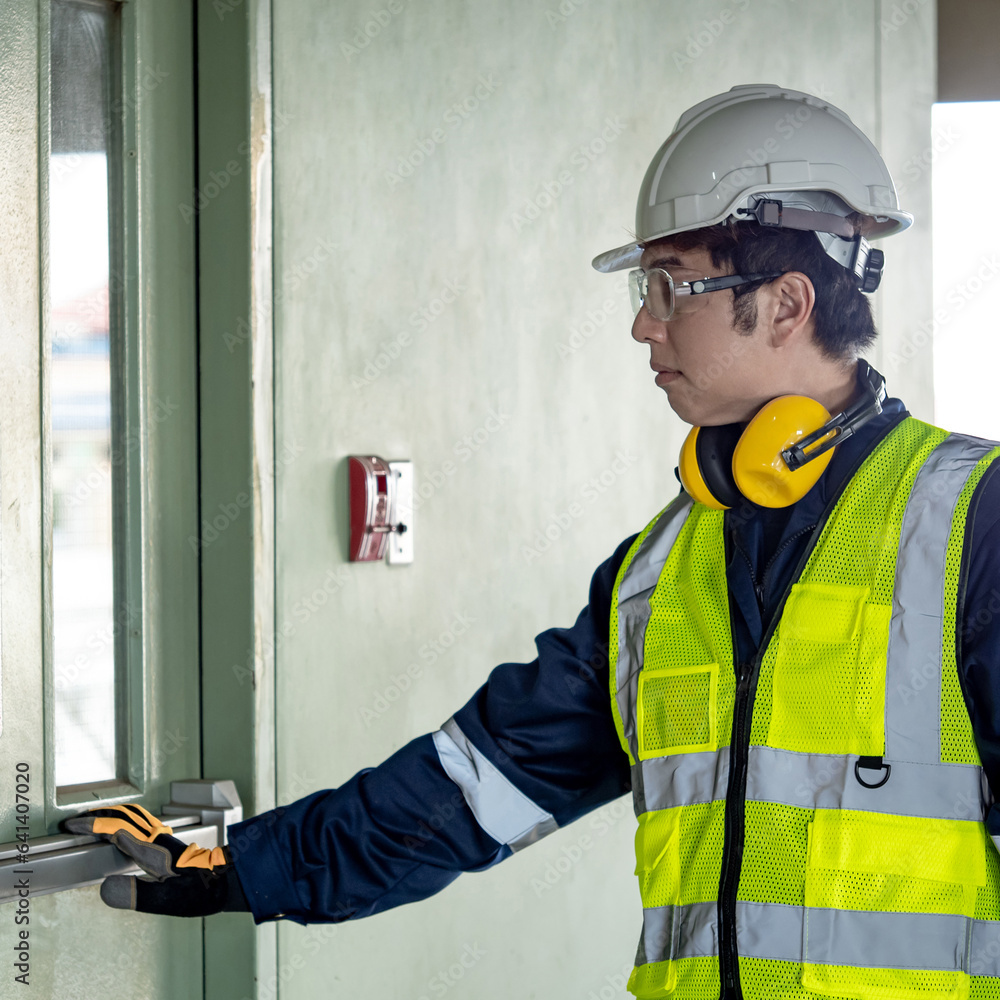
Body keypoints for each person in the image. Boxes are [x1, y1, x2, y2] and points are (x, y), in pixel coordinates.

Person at [65, 85, 1000, 999]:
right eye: (648, 287)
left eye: (671, 285)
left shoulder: (970, 526)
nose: (644, 322)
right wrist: (240, 867)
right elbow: (471, 793)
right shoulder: (658, 575)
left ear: (788, 305)